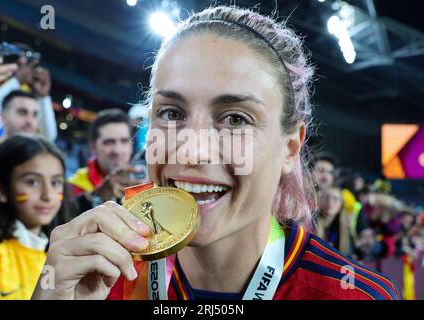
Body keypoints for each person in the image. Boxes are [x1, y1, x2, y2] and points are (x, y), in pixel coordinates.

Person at [32, 5, 399, 300]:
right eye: (172, 113)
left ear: (289, 149)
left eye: (236, 119)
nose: (192, 150)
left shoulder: (353, 295)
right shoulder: (94, 280)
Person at [0, 134, 68, 299]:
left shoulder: (55, 252)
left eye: (55, 183)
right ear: (1, 189)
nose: (48, 195)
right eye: (32, 182)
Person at [68, 108, 145, 212]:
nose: (117, 151)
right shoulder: (73, 186)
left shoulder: (144, 183)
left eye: (124, 141)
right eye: (109, 142)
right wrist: (97, 197)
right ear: (93, 147)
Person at [0, 43, 57, 142]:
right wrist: (16, 81)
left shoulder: (25, 95)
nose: (26, 70)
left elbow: (49, 137)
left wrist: (43, 98)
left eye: (29, 66)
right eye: (20, 65)